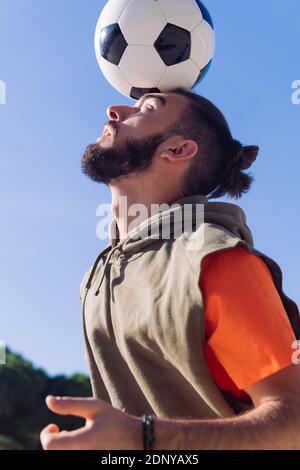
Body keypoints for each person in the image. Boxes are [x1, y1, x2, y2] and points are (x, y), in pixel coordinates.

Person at [41, 89, 300, 450]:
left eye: (145, 108)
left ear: (178, 150)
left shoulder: (217, 260)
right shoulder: (98, 275)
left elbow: (294, 422)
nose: (114, 110)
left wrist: (142, 438)